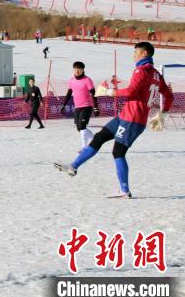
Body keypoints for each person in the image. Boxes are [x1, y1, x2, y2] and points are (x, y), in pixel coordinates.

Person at [55, 42, 174, 198]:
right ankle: (73, 167)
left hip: (132, 119)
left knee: (118, 152)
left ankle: (125, 190)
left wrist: (108, 91)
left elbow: (131, 90)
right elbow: (169, 96)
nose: (134, 55)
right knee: (99, 137)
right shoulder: (157, 74)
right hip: (126, 116)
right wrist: (162, 114)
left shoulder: (141, 70)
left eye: (136, 52)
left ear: (144, 54)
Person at [60, 61, 99, 150]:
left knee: (82, 126)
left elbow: (93, 94)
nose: (77, 71)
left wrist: (96, 107)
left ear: (83, 70)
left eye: (79, 69)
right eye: (75, 69)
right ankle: (94, 140)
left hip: (87, 106)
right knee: (79, 128)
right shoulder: (72, 80)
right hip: (77, 107)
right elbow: (69, 93)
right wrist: (63, 105)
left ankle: (84, 147)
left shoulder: (87, 80)